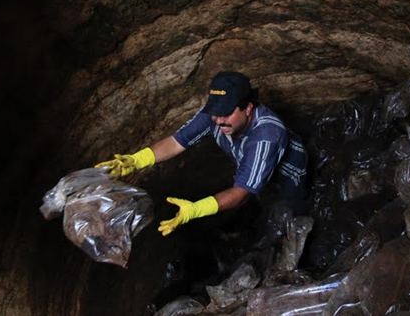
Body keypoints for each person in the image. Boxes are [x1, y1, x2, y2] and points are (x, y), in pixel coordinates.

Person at [96, 71, 309, 237]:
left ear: (248, 108)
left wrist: (196, 209)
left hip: (288, 173)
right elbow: (176, 142)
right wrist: (136, 160)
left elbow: (241, 192)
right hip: (249, 161)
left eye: (226, 113)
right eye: (215, 112)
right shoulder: (214, 115)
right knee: (256, 190)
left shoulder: (267, 135)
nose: (218, 120)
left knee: (291, 207)